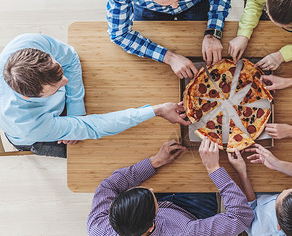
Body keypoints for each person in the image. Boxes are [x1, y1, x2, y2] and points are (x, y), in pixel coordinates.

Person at [0, 33, 189, 157]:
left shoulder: (29, 43)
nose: (66, 82)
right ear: (29, 97)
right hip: (39, 137)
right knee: (89, 155)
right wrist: (156, 110)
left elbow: (71, 58)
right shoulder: (29, 125)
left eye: (59, 71)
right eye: (56, 88)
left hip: (61, 117)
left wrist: (76, 111)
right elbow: (94, 127)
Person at [87, 138, 254, 236]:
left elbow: (108, 186)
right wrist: (213, 168)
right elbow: (241, 217)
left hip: (165, 215)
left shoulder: (100, 234)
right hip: (192, 213)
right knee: (196, 170)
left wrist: (154, 162)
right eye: (151, 197)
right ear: (152, 224)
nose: (151, 189)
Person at [107, 0, 234, 78]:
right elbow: (119, 34)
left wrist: (213, 32)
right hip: (148, 10)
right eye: (164, 2)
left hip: (196, 3)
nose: (174, 7)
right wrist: (169, 57)